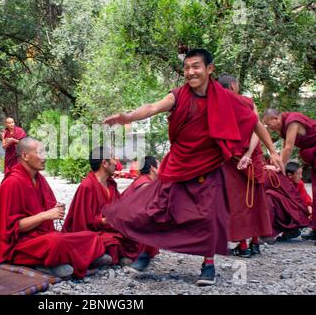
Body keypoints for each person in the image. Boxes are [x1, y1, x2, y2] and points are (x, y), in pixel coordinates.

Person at [102, 49, 283, 286]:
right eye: (187, 68)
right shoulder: (178, 96)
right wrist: (129, 117)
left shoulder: (226, 99)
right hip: (178, 164)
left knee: (208, 216)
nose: (190, 72)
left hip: (208, 168)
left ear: (210, 69)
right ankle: (147, 251)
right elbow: (153, 107)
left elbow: (254, 122)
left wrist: (272, 150)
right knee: (159, 209)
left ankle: (208, 266)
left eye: (196, 66)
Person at [0, 138, 111, 278]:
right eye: (40, 152)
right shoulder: (12, 183)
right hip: (21, 245)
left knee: (90, 236)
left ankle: (59, 262)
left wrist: (56, 209)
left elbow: (47, 206)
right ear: (24, 156)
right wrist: (45, 215)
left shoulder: (39, 179)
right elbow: (12, 228)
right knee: (56, 242)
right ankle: (53, 264)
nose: (45, 157)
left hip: (43, 236)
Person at [218, 74, 272, 257]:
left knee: (237, 201)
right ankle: (255, 242)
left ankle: (243, 246)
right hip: (250, 155)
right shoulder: (248, 102)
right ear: (233, 85)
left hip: (233, 158)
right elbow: (257, 128)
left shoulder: (217, 106)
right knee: (255, 198)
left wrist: (241, 155)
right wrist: (249, 153)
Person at [62, 147, 142, 265]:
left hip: (110, 228)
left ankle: (110, 255)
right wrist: (105, 220)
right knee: (110, 241)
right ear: (104, 163)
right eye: (113, 158)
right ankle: (104, 255)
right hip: (93, 231)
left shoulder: (111, 184)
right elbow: (82, 223)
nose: (117, 162)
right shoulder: (87, 186)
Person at [262, 109, 316, 242]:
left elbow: (288, 147)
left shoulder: (292, 121)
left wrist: (279, 168)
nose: (270, 128)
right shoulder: (283, 129)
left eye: (269, 125)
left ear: (276, 118)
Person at [122, 156, 160, 273]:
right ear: (153, 168)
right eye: (160, 165)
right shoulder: (145, 184)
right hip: (127, 229)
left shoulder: (145, 180)